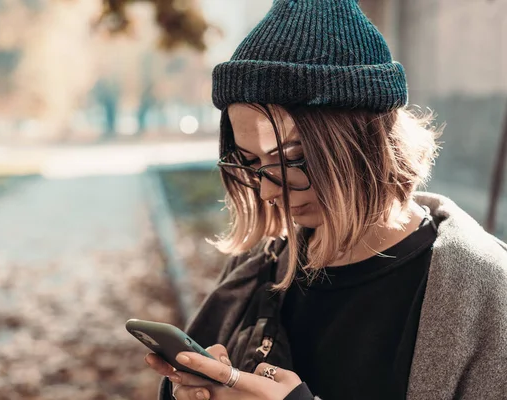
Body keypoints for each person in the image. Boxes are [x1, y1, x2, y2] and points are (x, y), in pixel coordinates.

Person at [144, 0, 507, 399]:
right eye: (251, 162)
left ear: (366, 140)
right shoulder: (259, 268)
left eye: (292, 158)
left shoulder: (486, 291)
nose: (267, 191)